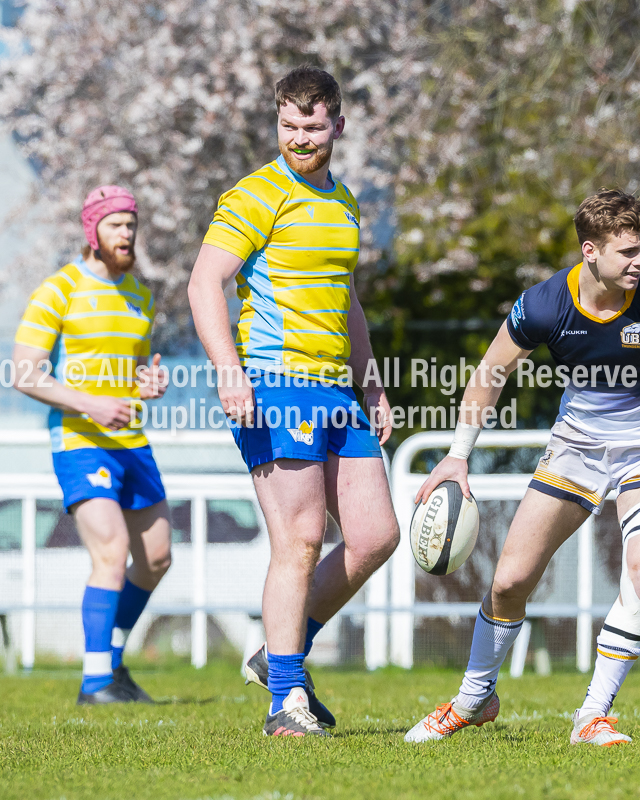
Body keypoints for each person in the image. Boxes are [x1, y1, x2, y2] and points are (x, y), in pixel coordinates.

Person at [189, 65, 400, 737]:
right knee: (301, 539)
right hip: (272, 383)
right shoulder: (254, 195)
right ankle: (286, 701)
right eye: (288, 126)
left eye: (312, 127)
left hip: (336, 387)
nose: (300, 139)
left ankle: (277, 651)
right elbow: (204, 284)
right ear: (276, 121)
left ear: (337, 123)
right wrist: (228, 370)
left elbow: (348, 300)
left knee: (375, 537)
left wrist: (370, 381)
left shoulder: (345, 204)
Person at [404, 189, 640, 746]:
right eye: (627, 252)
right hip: (576, 448)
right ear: (590, 251)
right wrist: (458, 457)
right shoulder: (544, 305)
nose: (639, 262)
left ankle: (592, 715)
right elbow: (489, 373)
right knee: (510, 581)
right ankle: (473, 700)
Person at [13, 185, 171, 704]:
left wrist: (145, 385)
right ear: (92, 231)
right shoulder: (58, 290)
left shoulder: (140, 295)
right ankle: (96, 680)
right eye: (115, 224)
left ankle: (114, 660)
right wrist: (91, 404)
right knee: (112, 550)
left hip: (133, 443)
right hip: (80, 441)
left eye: (131, 223)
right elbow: (24, 374)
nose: (126, 233)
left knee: (157, 558)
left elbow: (136, 369)